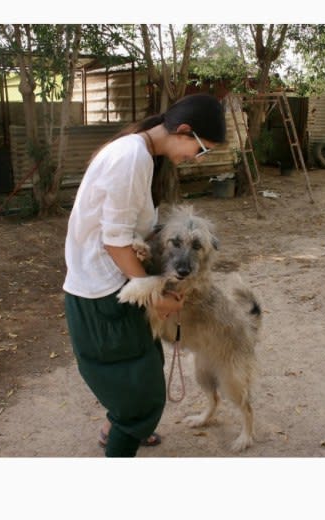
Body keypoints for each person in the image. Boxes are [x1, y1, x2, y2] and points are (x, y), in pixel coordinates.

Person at [63, 93, 228, 457]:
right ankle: (125, 429)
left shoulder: (141, 154)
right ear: (184, 130)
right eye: (200, 149)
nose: (196, 159)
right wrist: (157, 294)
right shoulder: (131, 157)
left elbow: (134, 234)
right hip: (103, 294)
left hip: (117, 284)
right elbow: (116, 241)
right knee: (143, 399)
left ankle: (119, 428)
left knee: (148, 363)